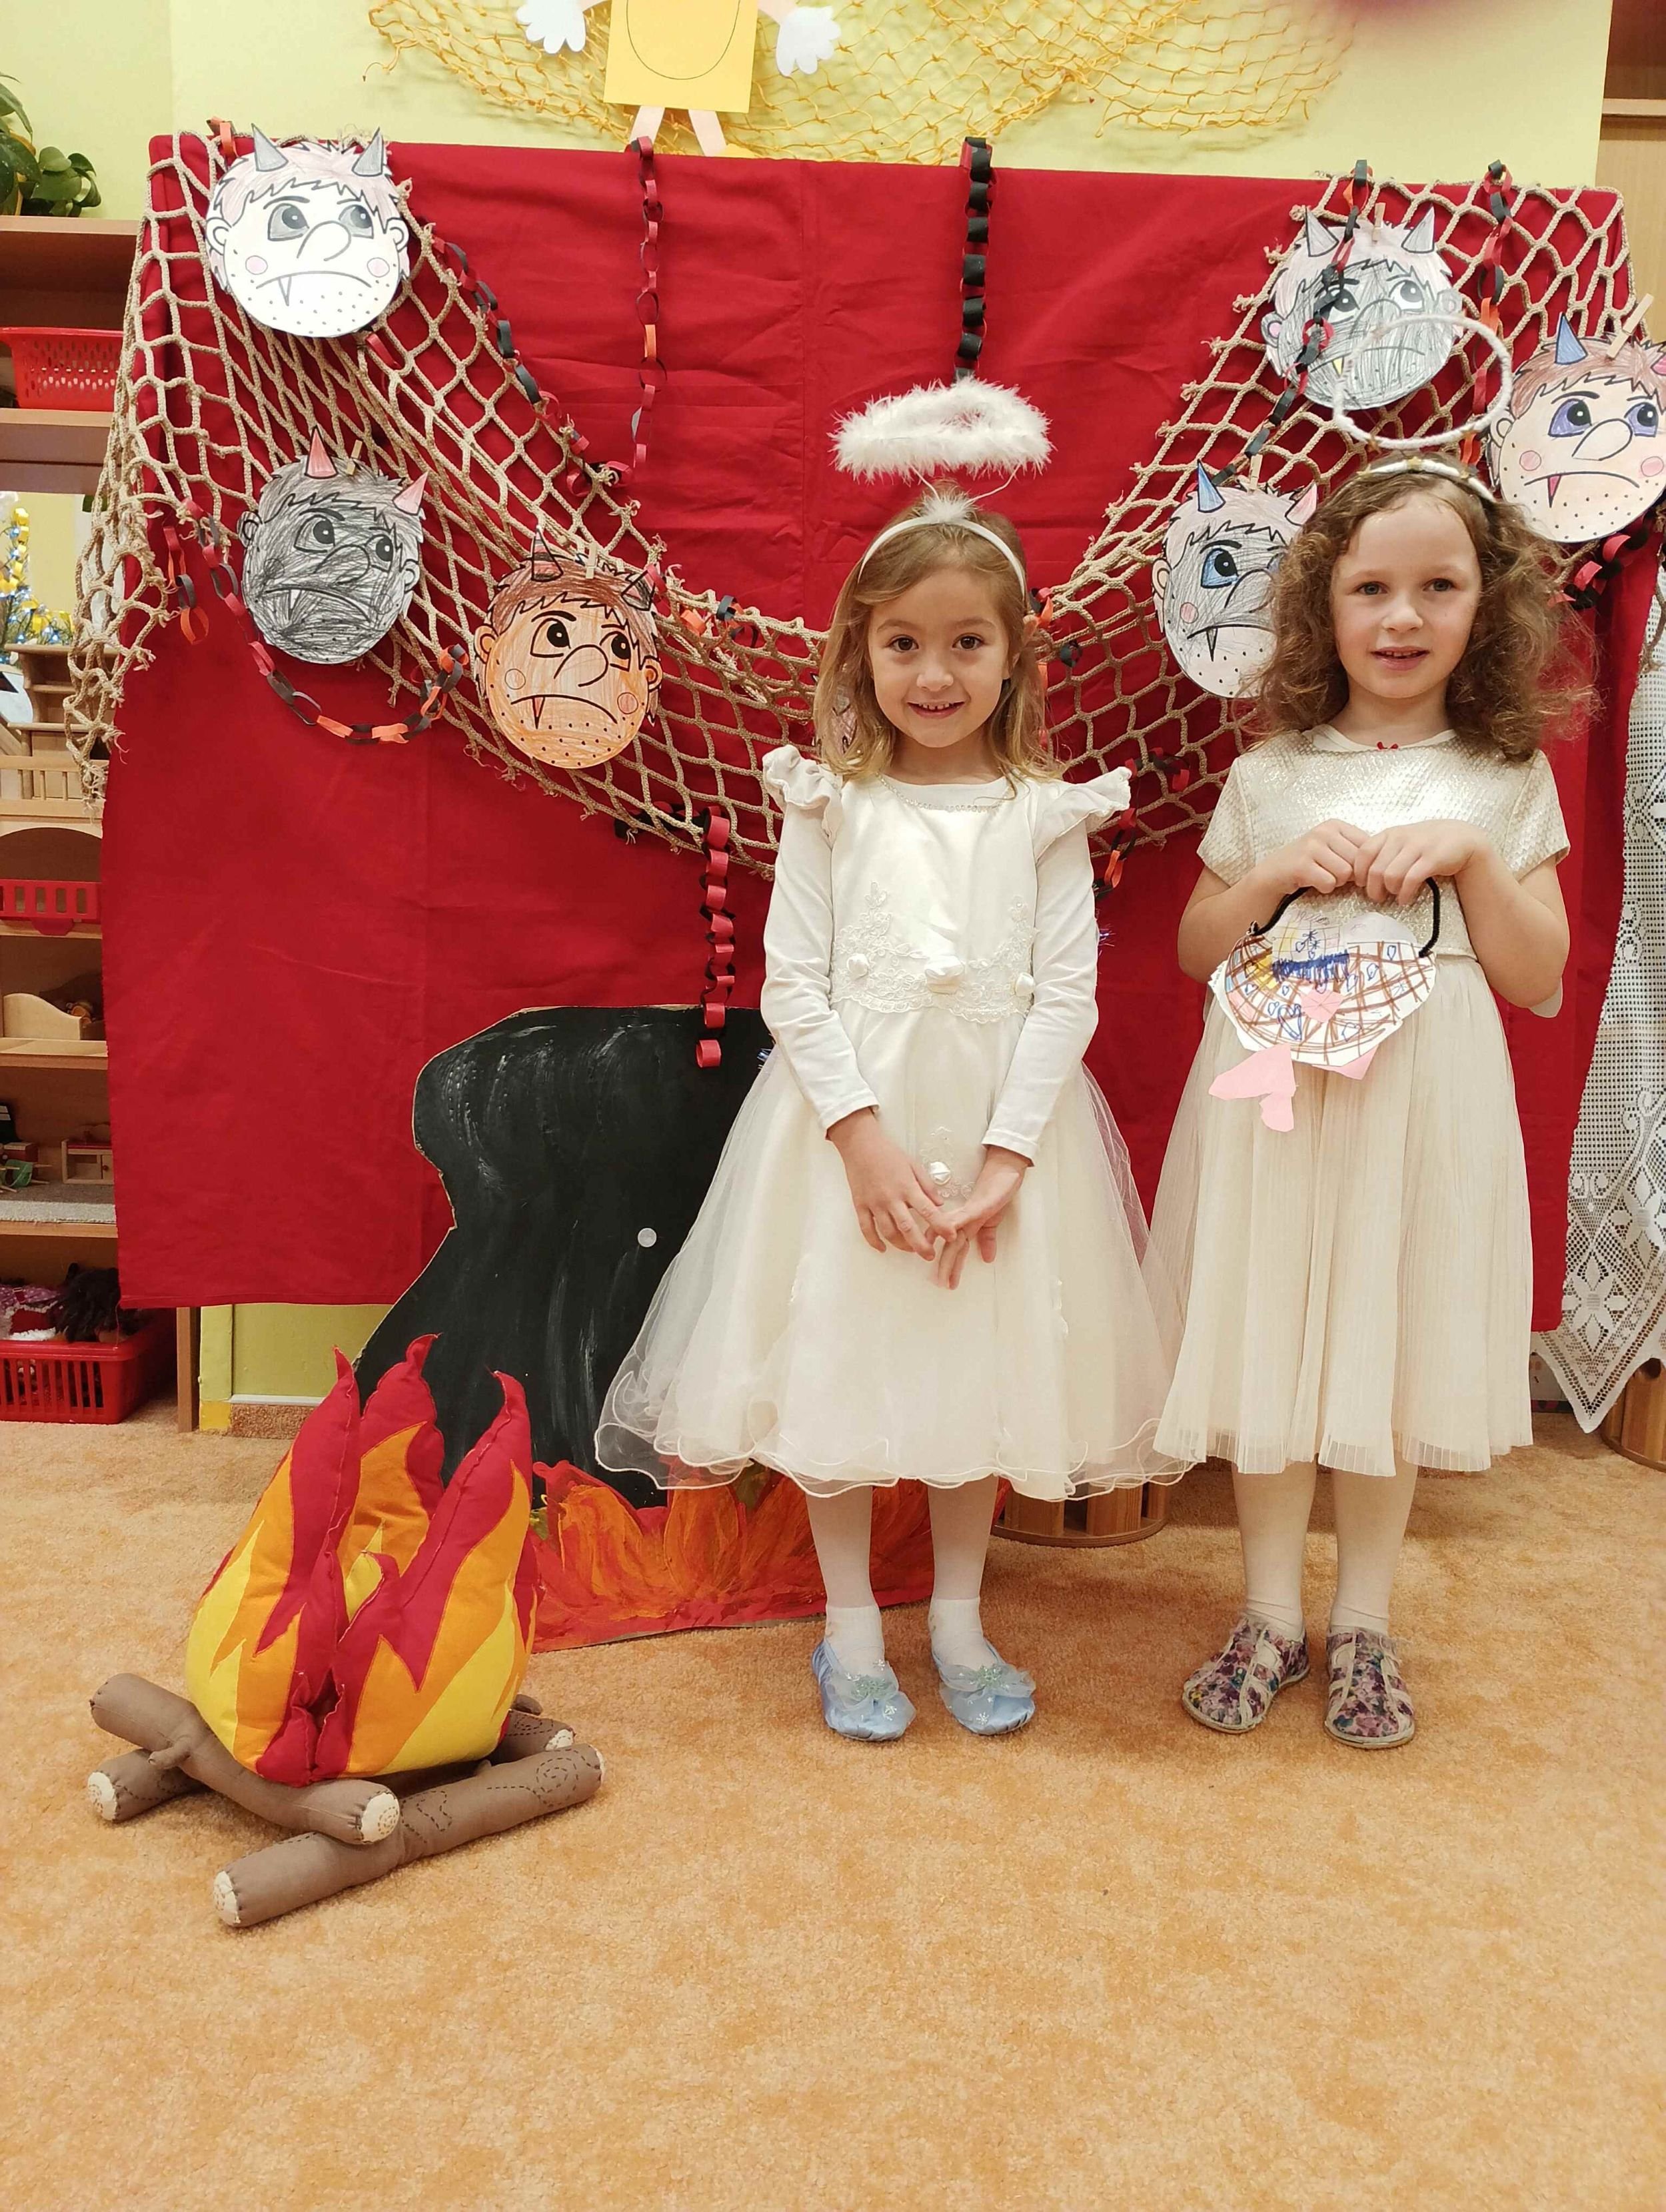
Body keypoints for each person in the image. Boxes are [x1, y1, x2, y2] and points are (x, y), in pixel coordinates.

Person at [597, 482, 1180, 1739]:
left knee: (983, 1371)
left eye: (967, 642)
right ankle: (851, 1625)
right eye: (905, 642)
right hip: (843, 1134)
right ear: (861, 649)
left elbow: (1066, 995)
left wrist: (1010, 1158)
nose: (935, 673)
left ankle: (959, 1616)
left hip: (1001, 1133)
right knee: (840, 1367)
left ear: (1013, 655)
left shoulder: (1044, 814)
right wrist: (860, 1141)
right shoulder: (831, 803)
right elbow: (793, 987)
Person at [1149, 456, 1575, 1749]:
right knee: (1276, 1336)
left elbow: (1539, 979)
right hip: (1280, 1092)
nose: (1401, 616)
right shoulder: (1272, 772)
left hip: (1421, 1104)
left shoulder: (1503, 777)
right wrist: (1272, 874)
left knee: (1385, 1347)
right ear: (1320, 606)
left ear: (1484, 608)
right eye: (1371, 588)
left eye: (1437, 587)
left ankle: (1366, 1621)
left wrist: (1474, 859)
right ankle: (1269, 1613)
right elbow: (1196, 946)